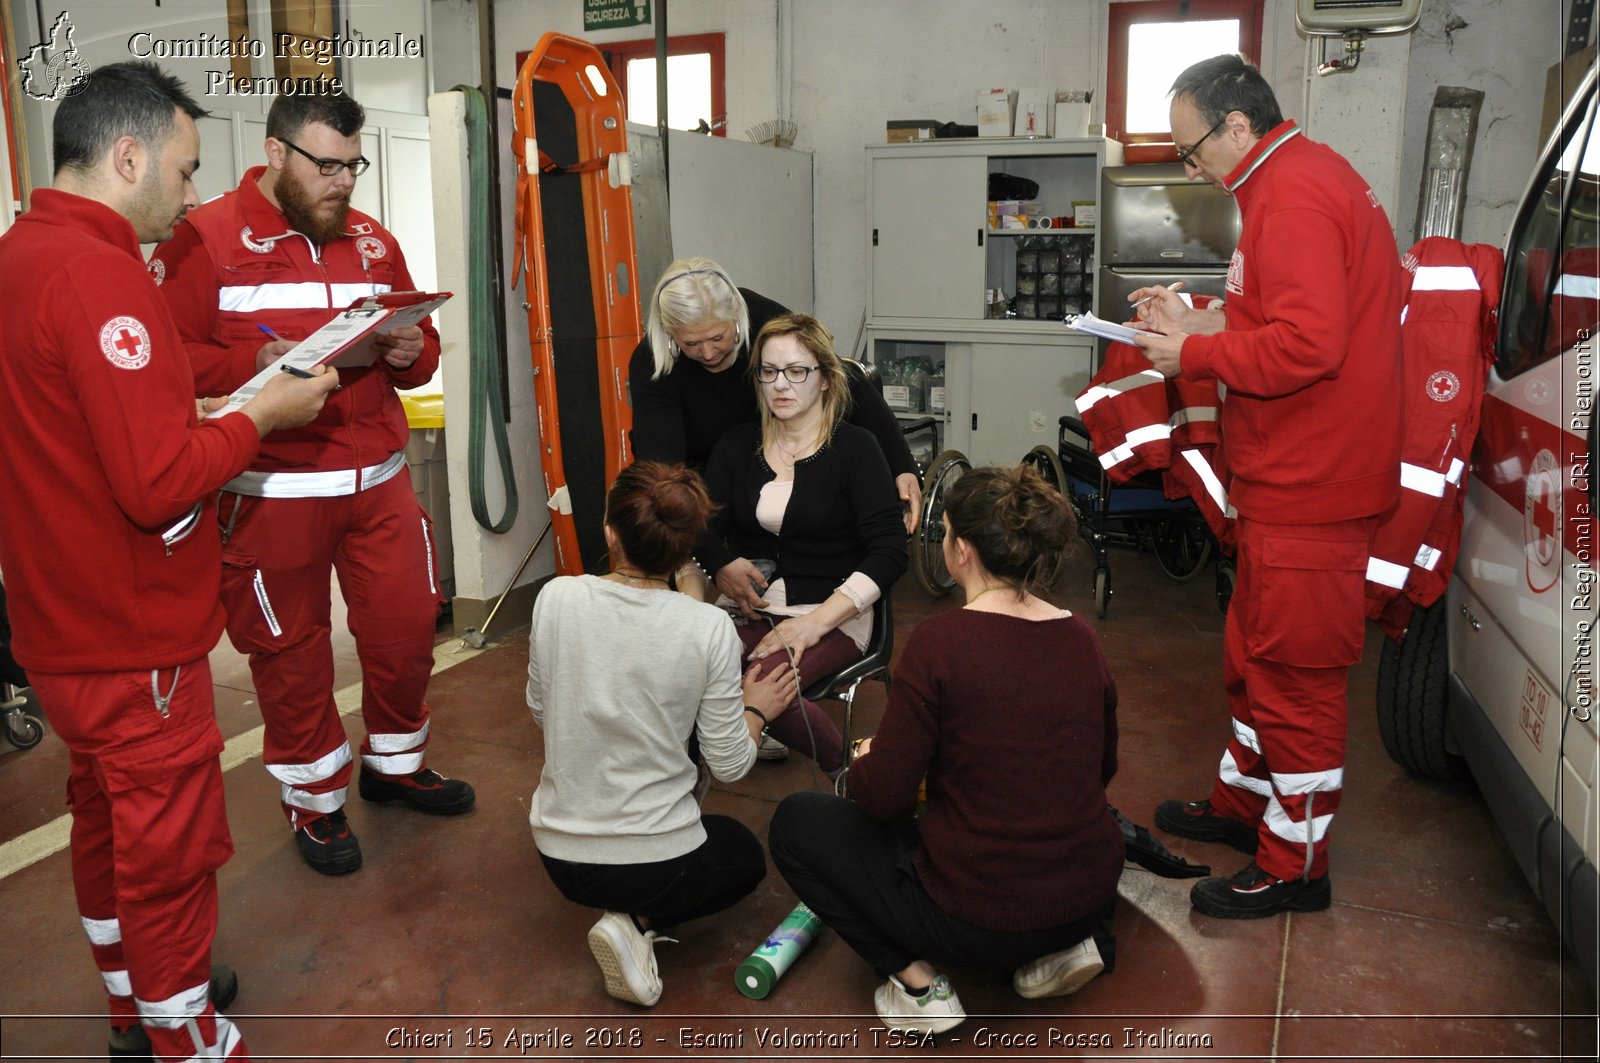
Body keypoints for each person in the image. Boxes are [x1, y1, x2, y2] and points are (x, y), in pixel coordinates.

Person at [0, 61, 337, 1061]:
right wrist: (257, 415)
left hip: (59, 626)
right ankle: (186, 1033)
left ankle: (131, 1002)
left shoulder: (21, 255)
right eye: (186, 172)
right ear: (130, 154)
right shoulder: (103, 274)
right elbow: (153, 485)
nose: (193, 196)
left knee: (105, 825)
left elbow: (66, 423)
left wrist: (184, 410)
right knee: (168, 852)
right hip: (131, 631)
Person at [149, 90, 472, 875]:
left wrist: (408, 352)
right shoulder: (202, 240)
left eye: (352, 165)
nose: (343, 182)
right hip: (271, 491)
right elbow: (169, 358)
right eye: (326, 165)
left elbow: (421, 345)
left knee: (403, 635)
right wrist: (249, 365)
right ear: (276, 153)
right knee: (292, 658)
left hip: (380, 483)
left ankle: (394, 765)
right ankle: (316, 801)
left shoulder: (370, 239)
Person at [1128, 54, 1404, 918]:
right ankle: (1250, 804)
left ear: (1236, 128)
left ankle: (1297, 863)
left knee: (1296, 677)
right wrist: (1197, 318)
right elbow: (1281, 315)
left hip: (1313, 487)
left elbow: (1310, 347)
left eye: (1191, 148)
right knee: (1254, 660)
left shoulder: (1291, 197)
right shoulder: (1296, 180)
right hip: (1287, 480)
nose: (1191, 166)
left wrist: (1194, 353)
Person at [767, 465, 1123, 1034]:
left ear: (960, 551)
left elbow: (883, 801)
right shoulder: (1079, 634)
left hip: (979, 918)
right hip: (1085, 895)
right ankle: (1066, 948)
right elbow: (1101, 769)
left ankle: (919, 987)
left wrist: (866, 764)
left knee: (797, 824)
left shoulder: (941, 643)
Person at [526, 461, 798, 1007]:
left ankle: (622, 915)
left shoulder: (555, 598)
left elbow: (541, 707)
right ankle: (635, 921)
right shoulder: (707, 627)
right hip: (655, 867)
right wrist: (756, 711)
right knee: (741, 852)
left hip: (558, 855)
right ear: (685, 550)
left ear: (609, 532)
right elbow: (728, 763)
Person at [628, 258, 924, 591]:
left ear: (735, 317)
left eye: (718, 337)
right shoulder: (653, 362)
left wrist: (902, 465)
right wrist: (716, 560)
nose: (709, 353)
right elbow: (662, 468)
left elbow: (847, 380)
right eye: (691, 344)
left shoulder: (764, 318)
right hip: (706, 467)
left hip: (769, 451)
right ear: (670, 335)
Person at [698, 313, 908, 777]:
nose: (780, 385)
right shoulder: (736, 446)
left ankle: (851, 777)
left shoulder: (857, 448)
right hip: (747, 608)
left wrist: (814, 624)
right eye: (768, 371)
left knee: (756, 681)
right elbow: (702, 525)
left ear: (826, 379)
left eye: (797, 371)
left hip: (834, 611)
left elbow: (890, 550)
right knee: (684, 668)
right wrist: (721, 566)